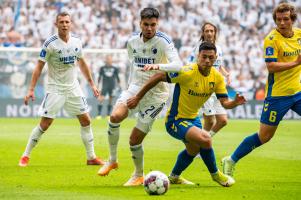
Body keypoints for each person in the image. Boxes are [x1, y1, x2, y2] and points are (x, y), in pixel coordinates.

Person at [127, 42, 246, 187]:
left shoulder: (218, 78)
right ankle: (216, 175)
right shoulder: (187, 72)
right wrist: (138, 97)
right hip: (175, 120)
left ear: (215, 59)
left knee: (193, 149)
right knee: (206, 139)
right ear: (198, 57)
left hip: (193, 119)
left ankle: (174, 177)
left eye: (211, 58)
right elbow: (158, 76)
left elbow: (225, 103)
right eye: (204, 57)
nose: (207, 61)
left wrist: (235, 102)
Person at [97, 7, 182, 186]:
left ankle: (138, 175)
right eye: (146, 24)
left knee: (134, 139)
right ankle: (112, 160)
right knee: (115, 116)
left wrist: (158, 66)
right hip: (135, 87)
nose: (149, 28)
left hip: (157, 94)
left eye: (153, 25)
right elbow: (132, 66)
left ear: (157, 24)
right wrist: (129, 88)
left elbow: (178, 66)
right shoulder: (132, 41)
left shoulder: (164, 41)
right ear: (140, 23)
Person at [222, 3, 301, 178]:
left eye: (286, 19)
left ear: (293, 19)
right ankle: (231, 159)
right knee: (264, 137)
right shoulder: (271, 39)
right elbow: (271, 66)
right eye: (278, 19)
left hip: (298, 93)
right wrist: (296, 63)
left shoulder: (299, 35)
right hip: (277, 96)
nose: (282, 23)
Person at [18, 12, 104, 167]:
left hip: (73, 87)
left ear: (71, 24)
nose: (65, 25)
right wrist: (31, 89)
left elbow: (82, 63)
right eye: (62, 22)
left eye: (67, 22)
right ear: (56, 24)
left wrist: (92, 84)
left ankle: (91, 157)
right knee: (45, 124)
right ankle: (25, 155)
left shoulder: (77, 42)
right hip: (55, 89)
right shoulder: (50, 43)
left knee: (86, 120)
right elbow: (39, 66)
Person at [189, 22, 231, 137]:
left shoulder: (219, 48)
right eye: (207, 31)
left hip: (218, 86)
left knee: (223, 121)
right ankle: (200, 145)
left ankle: (203, 141)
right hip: (205, 87)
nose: (209, 33)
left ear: (215, 33)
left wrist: (226, 74)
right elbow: (192, 66)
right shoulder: (198, 48)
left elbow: (218, 65)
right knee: (210, 121)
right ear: (203, 33)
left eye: (211, 31)